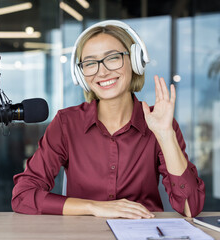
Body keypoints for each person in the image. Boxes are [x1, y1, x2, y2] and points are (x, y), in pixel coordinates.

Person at [11, 20, 205, 218]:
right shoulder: (66, 123)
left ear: (135, 61)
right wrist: (93, 207)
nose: (102, 71)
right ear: (81, 73)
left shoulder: (159, 122)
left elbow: (191, 207)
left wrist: (165, 135)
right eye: (90, 63)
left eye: (112, 58)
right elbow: (23, 196)